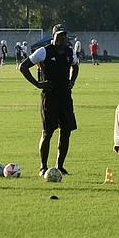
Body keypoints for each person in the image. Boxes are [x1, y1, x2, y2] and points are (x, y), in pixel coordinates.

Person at [19, 29, 79, 176]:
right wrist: (37, 83)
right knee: (48, 132)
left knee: (66, 132)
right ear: (54, 37)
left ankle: (60, 166)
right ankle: (43, 167)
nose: (63, 39)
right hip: (50, 98)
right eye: (60, 36)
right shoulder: (44, 51)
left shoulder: (70, 52)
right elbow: (23, 66)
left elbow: (75, 66)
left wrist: (72, 81)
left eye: (65, 36)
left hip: (65, 97)